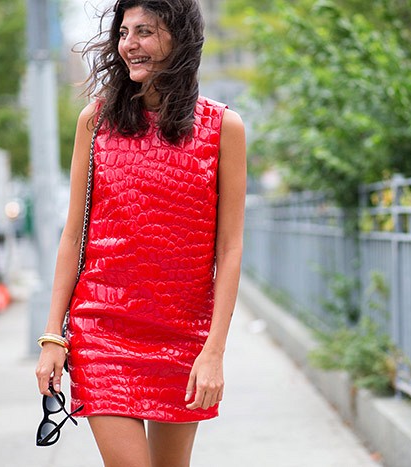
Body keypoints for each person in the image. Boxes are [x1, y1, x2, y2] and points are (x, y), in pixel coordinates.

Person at [34, 0, 246, 465]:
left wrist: (214, 351)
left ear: (180, 38)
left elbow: (230, 248)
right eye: (124, 33)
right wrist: (53, 337)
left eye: (145, 31)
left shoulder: (223, 128)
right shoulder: (95, 121)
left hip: (183, 337)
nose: (129, 44)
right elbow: (73, 236)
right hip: (103, 333)